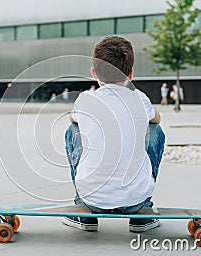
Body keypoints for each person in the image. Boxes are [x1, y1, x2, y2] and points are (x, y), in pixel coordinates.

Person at [63, 36, 165, 233]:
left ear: (94, 73)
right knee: (155, 130)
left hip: (91, 200)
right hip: (135, 201)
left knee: (73, 130)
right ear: (131, 74)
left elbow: (72, 119)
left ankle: (82, 209)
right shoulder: (140, 98)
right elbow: (157, 119)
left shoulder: (85, 99)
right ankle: (144, 210)